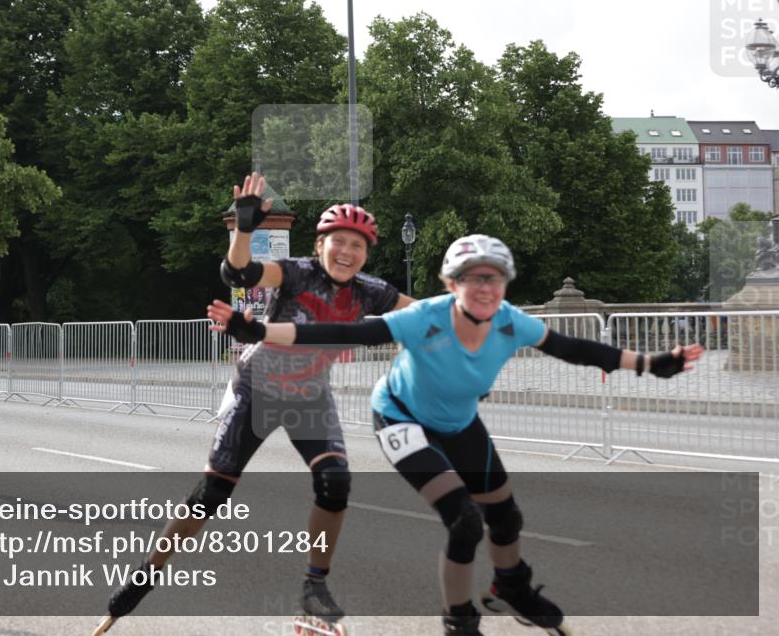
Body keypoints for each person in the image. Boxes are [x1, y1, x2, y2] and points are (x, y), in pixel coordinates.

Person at [208, 233, 704, 636]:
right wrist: (258, 332)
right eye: (471, 280)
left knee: (506, 516)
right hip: (401, 417)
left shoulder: (511, 323)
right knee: (464, 520)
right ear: (450, 283)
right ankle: (459, 621)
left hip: (459, 423)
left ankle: (511, 585)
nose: (484, 289)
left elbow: (575, 348)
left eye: (494, 280)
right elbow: (351, 333)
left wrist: (651, 364)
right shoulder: (425, 317)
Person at [96, 173, 416, 633]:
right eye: (338, 242)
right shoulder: (296, 271)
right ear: (320, 243)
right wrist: (244, 231)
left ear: (367, 253)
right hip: (257, 389)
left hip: (309, 394)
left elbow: (430, 313)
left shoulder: (370, 290)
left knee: (335, 481)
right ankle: (145, 575)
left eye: (358, 246)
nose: (347, 252)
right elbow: (239, 273)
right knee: (211, 496)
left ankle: (314, 588)